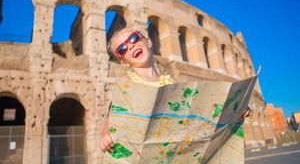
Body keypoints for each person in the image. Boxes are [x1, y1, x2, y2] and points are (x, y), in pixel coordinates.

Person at [100, 27, 252, 153]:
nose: (131, 45)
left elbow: (201, 118)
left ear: (148, 41)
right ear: (124, 63)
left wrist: (235, 109)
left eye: (133, 38)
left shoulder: (172, 84)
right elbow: (110, 122)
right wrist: (105, 137)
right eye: (122, 49)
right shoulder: (127, 88)